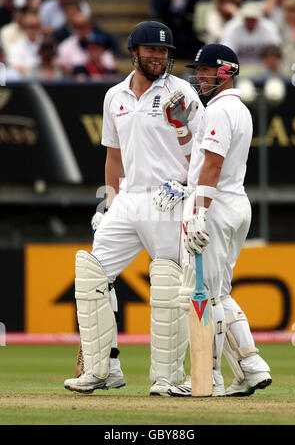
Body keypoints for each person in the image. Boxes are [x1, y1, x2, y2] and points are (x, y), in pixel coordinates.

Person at [63, 20, 203, 396]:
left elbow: (204, 150)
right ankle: (103, 368)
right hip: (128, 198)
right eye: (152, 50)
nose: (159, 57)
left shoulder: (183, 92)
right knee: (92, 273)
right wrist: (109, 203)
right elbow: (114, 156)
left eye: (164, 52)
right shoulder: (115, 96)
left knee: (169, 284)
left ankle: (167, 378)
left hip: (170, 199)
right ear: (134, 52)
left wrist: (187, 187)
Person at [153, 43, 272, 396]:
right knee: (219, 293)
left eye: (206, 70)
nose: (200, 76)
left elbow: (213, 166)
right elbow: (198, 158)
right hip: (234, 204)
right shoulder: (232, 109)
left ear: (225, 71)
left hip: (215, 206)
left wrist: (200, 211)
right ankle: (250, 366)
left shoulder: (221, 111)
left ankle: (209, 378)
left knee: (204, 294)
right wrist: (180, 129)